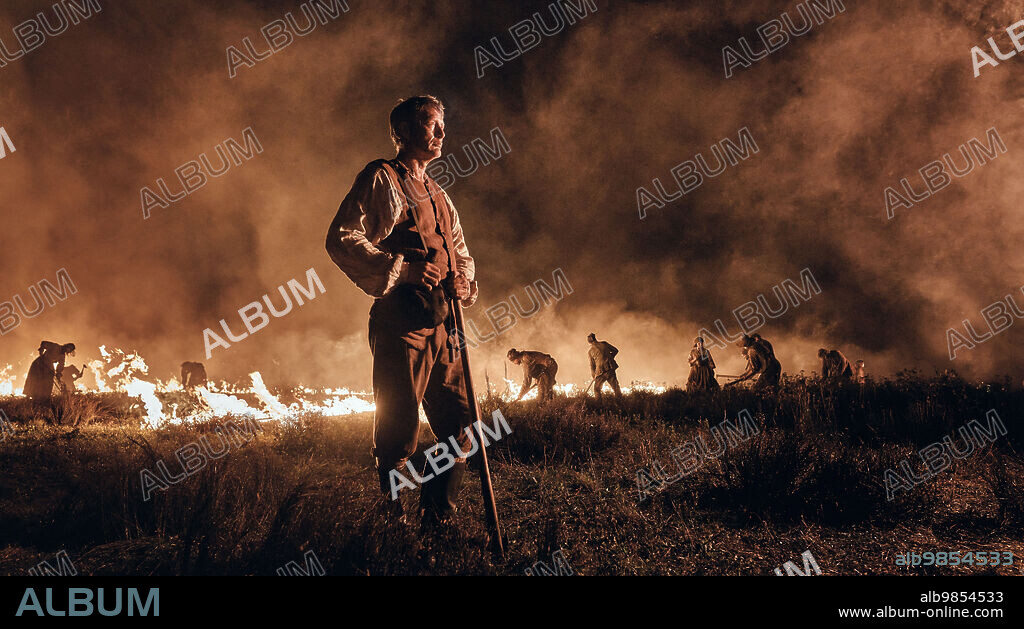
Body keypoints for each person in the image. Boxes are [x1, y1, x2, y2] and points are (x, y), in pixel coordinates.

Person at [325, 95, 478, 525]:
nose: (442, 133)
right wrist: (404, 271)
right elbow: (342, 237)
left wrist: (464, 280)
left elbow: (460, 252)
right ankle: (393, 525)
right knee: (397, 435)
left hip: (445, 325)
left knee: (462, 425)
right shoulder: (382, 178)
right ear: (404, 131)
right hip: (401, 324)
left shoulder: (441, 195)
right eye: (432, 124)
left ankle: (436, 519)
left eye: (442, 125)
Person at [587, 332, 622, 400]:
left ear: (589, 342)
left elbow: (592, 365)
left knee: (597, 389)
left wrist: (593, 375)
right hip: (610, 368)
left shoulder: (590, 351)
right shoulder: (604, 344)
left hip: (600, 372)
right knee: (616, 387)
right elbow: (615, 350)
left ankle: (599, 406)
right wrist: (610, 357)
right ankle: (620, 402)